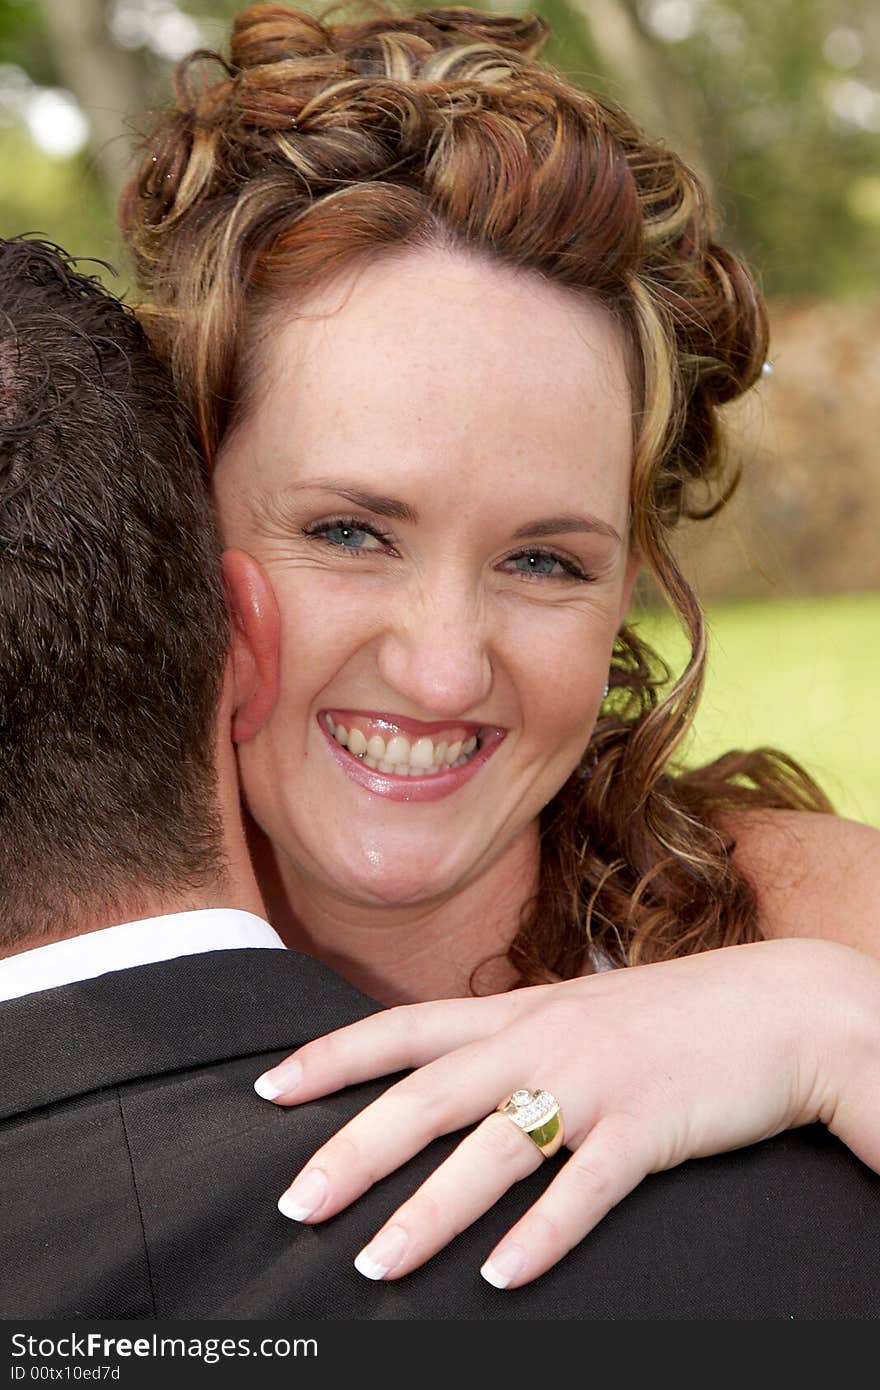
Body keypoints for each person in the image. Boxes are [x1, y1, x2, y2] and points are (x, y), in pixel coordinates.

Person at [117, 3, 880, 1293]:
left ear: (629, 586)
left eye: (544, 562)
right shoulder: (55, 956)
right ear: (181, 515)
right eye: (353, 532)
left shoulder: (809, 920)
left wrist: (831, 1027)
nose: (442, 671)